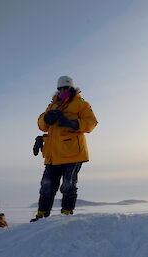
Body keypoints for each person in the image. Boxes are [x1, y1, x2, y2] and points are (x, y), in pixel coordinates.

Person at [30, 76, 98, 222]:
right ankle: (41, 215)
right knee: (46, 185)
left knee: (68, 185)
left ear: (71, 88)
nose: (63, 91)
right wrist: (46, 119)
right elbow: (42, 123)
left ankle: (66, 215)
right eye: (60, 88)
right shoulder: (52, 105)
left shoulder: (81, 104)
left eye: (65, 88)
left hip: (72, 153)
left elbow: (91, 122)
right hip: (52, 154)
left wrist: (73, 123)